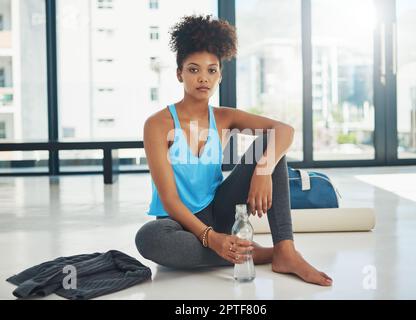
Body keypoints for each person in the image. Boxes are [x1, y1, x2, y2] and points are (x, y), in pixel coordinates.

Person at [135, 14, 333, 286]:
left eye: (211, 70)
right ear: (179, 73)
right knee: (149, 239)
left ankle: (285, 250)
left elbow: (284, 130)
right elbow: (169, 200)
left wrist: (263, 171)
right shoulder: (157, 124)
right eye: (193, 70)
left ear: (220, 76)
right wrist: (211, 238)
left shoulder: (225, 118)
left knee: (269, 143)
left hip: (219, 211)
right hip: (177, 222)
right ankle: (255, 252)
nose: (203, 78)